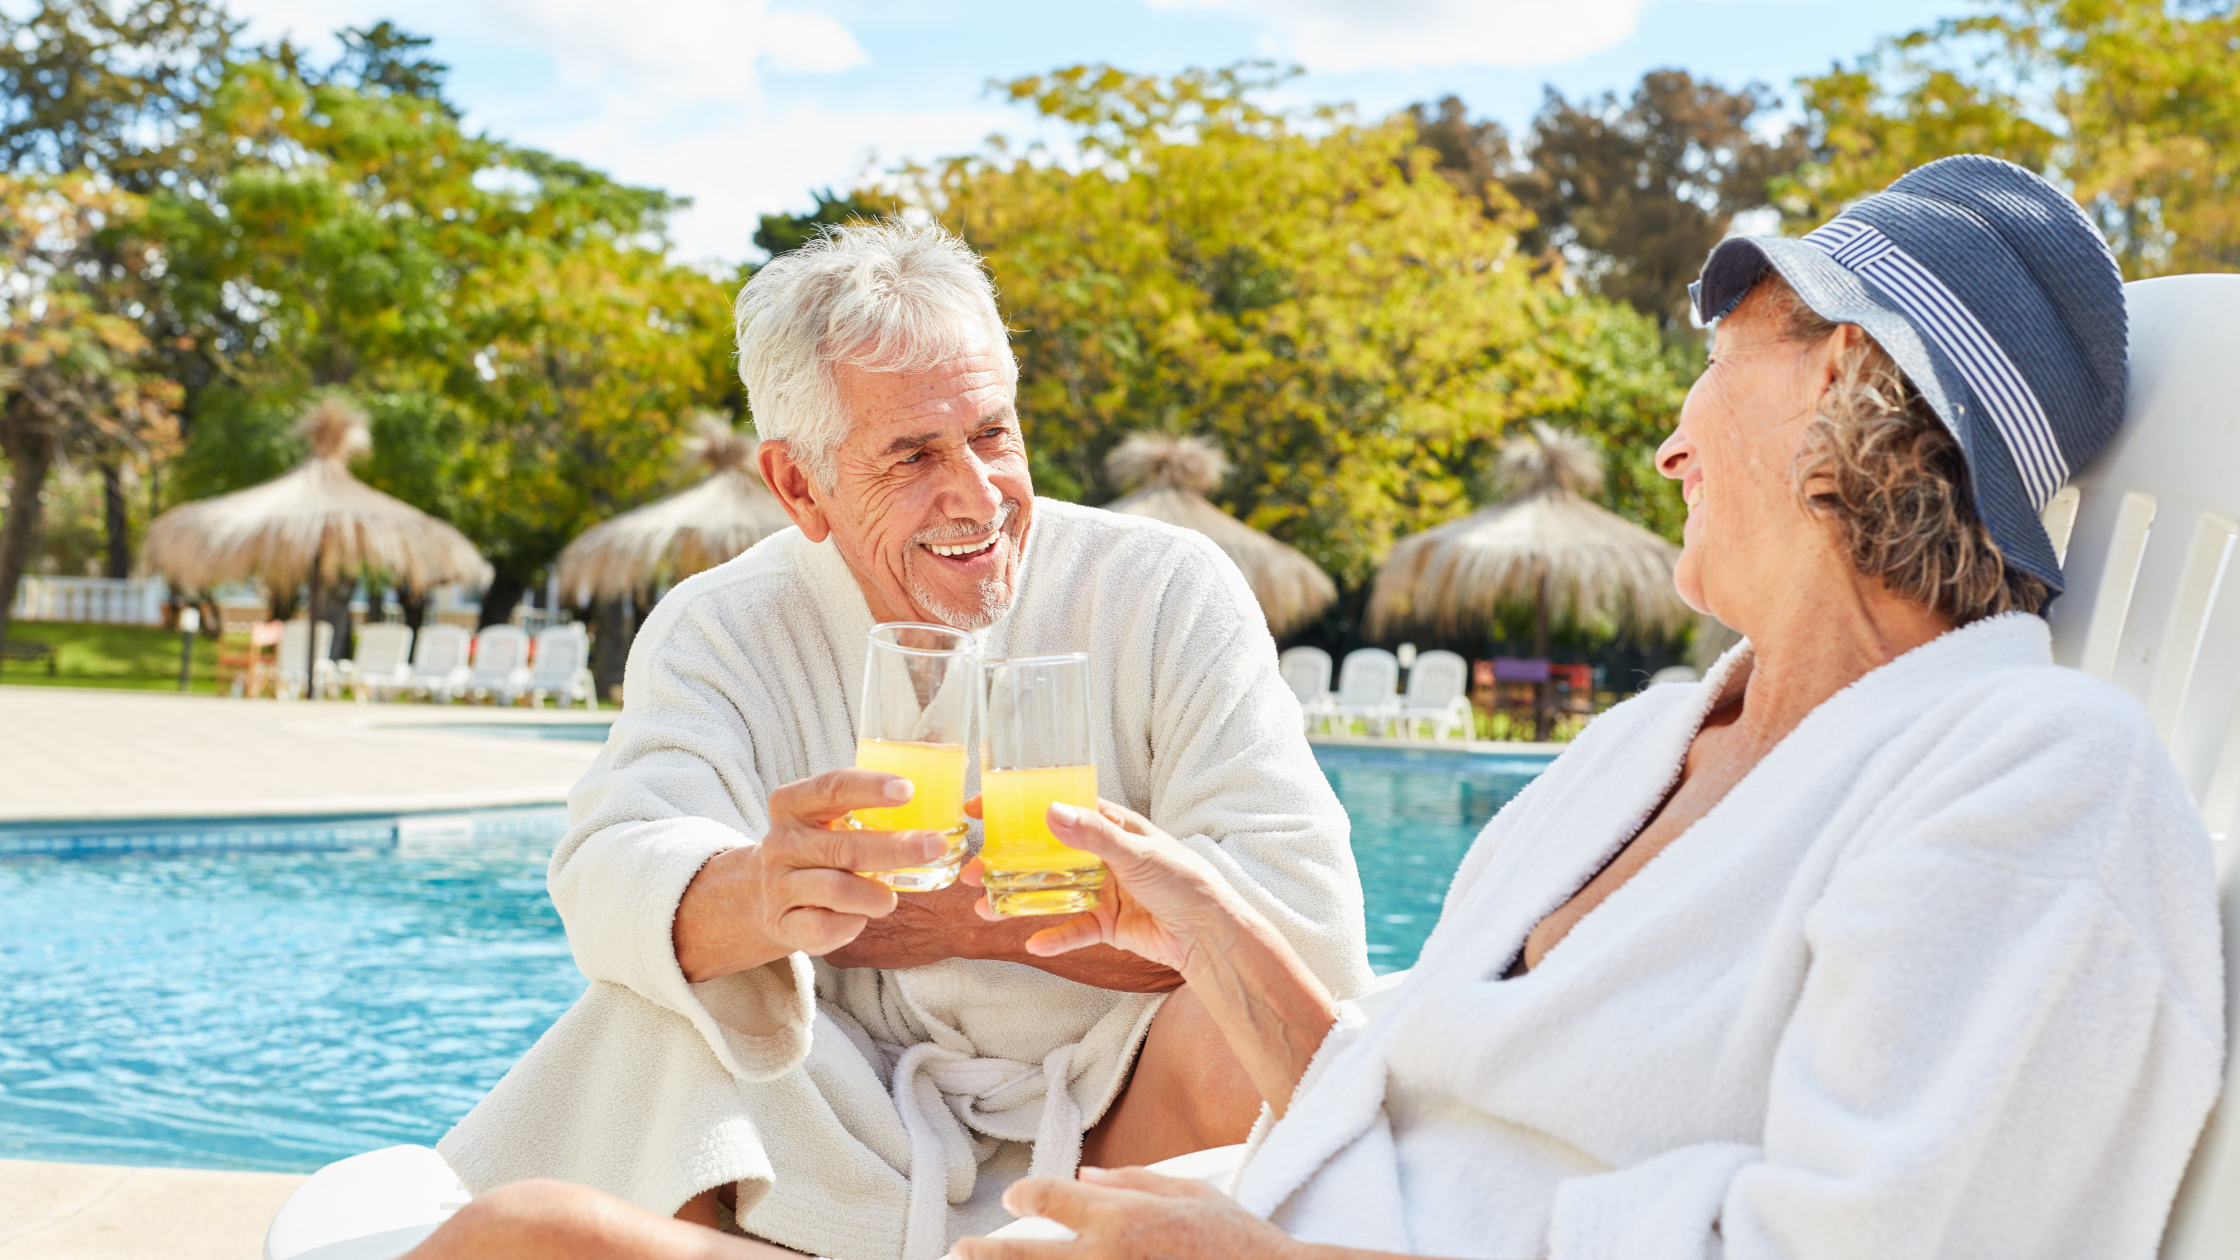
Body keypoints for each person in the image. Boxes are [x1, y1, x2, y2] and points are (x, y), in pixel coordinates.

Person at [408, 155, 2224, 1260]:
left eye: (1711, 373)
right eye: (911, 450)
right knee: (513, 1239)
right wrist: (1182, 907)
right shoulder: (1643, 753)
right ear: (802, 490)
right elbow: (1407, 1095)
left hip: (1228, 1224)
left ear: (1845, 388)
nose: (1668, 437)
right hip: (1209, 1210)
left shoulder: (2039, 782)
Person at [431, 220, 1374, 1260]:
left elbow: (1310, 929)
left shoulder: (1161, 588)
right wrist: (757, 891)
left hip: (1122, 1125)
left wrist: (982, 921)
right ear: (797, 485)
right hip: (834, 1125)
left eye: (991, 434)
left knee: (1240, 1026)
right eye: (913, 455)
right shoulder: (721, 625)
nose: (976, 495)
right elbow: (610, 873)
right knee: (665, 1003)